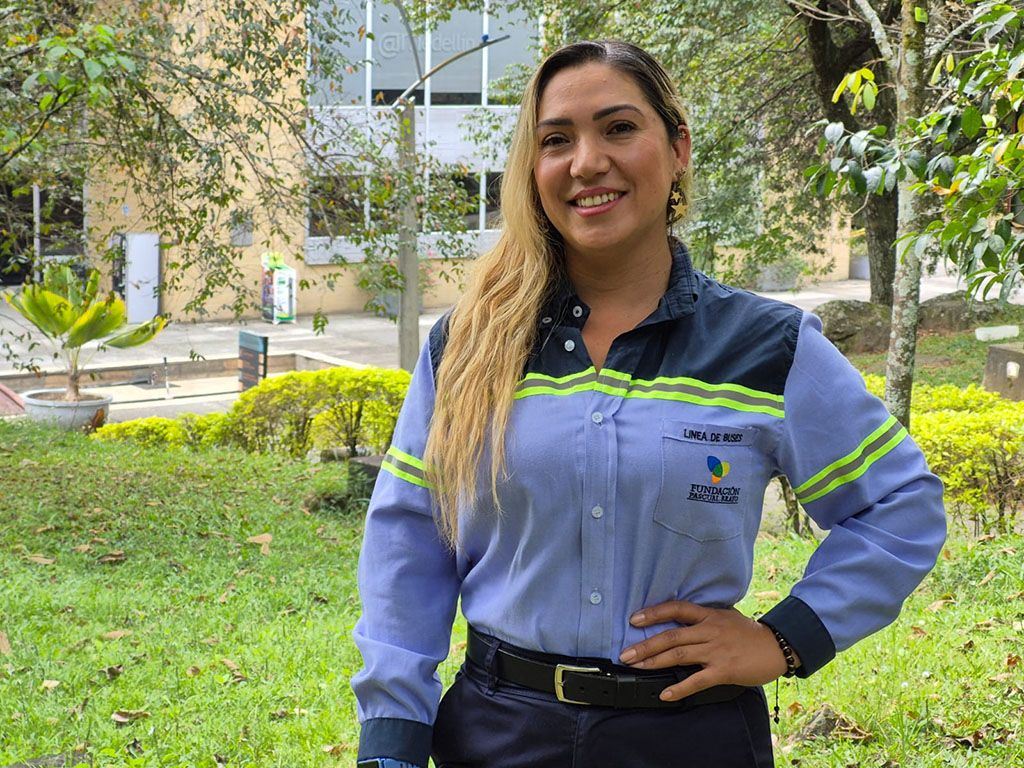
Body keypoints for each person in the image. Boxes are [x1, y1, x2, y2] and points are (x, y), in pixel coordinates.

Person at [351, 40, 946, 768]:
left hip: (692, 737)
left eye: (619, 128)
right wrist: (392, 737)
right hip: (496, 735)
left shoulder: (767, 347)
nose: (586, 161)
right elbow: (407, 541)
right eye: (556, 140)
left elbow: (901, 507)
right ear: (532, 169)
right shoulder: (469, 347)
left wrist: (784, 637)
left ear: (678, 147)